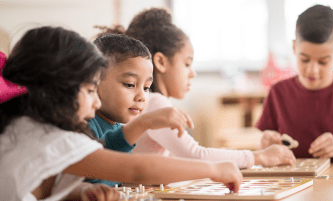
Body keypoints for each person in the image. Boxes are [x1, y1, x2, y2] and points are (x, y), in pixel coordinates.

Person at [0, 26, 243, 201]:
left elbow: (36, 187)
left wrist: (79, 191)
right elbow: (139, 169)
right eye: (89, 90)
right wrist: (215, 170)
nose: (96, 102)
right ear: (58, 89)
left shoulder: (22, 130)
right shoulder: (47, 138)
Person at [124, 8, 296, 168]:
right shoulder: (155, 103)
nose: (192, 73)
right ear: (161, 62)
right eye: (187, 63)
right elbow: (196, 155)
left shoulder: (152, 102)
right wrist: (259, 157)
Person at [86, 28, 194, 187]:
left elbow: (131, 173)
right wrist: (143, 122)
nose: (142, 97)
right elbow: (95, 169)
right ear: (95, 81)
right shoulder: (84, 125)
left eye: (146, 87)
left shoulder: (116, 127)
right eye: (130, 85)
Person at [256, 5, 333, 162]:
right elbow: (264, 148)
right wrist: (264, 145)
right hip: (291, 181)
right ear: (293, 47)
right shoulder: (278, 92)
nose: (312, 70)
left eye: (323, 62)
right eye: (304, 59)